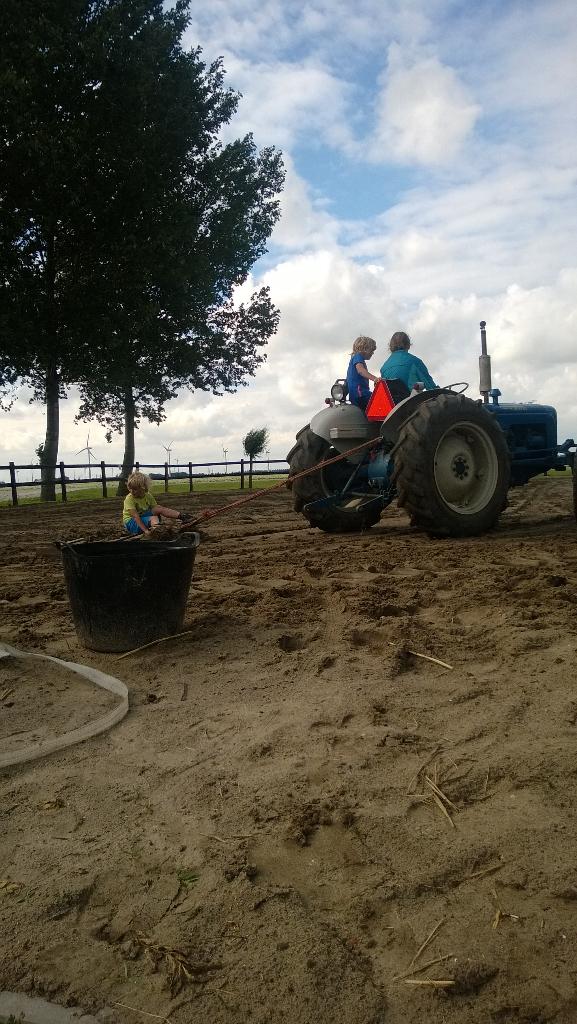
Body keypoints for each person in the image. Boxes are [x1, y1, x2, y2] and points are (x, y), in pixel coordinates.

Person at [122, 471, 187, 535]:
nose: (132, 491)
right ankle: (159, 533)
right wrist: (146, 531)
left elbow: (155, 508)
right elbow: (136, 517)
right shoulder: (129, 499)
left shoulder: (147, 495)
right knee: (153, 518)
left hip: (142, 517)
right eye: (130, 488)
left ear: (143, 488)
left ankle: (183, 517)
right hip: (131, 522)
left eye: (135, 489)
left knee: (158, 508)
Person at [346, 335, 380, 410]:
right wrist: (375, 379)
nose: (373, 353)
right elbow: (361, 371)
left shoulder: (352, 361)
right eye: (372, 350)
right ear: (364, 349)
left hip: (354, 396)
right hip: (360, 393)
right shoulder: (358, 357)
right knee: (380, 401)